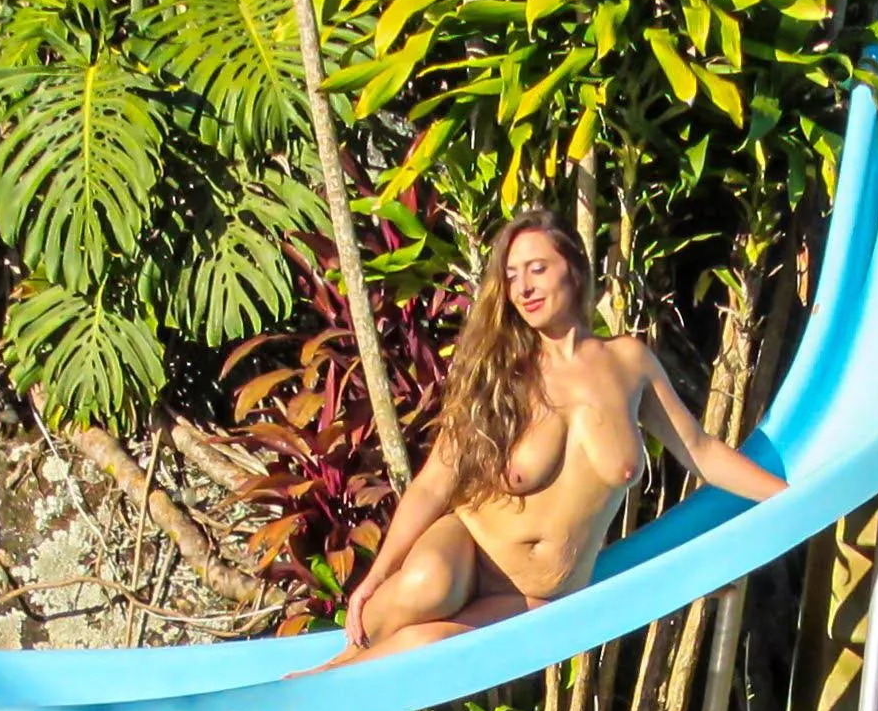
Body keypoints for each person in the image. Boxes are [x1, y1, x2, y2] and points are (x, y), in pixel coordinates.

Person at [335, 213, 788, 661]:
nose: (524, 288)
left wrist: (791, 500)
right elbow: (435, 482)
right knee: (425, 582)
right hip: (466, 550)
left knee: (424, 647)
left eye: (538, 269)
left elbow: (702, 452)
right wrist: (377, 574)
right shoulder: (501, 371)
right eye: (512, 277)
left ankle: (331, 681)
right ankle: (331, 666)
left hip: (539, 597)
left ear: (574, 269)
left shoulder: (628, 363)